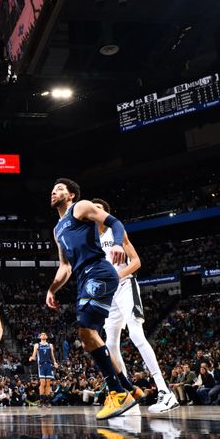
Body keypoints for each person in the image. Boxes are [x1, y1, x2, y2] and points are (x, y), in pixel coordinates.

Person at [46, 179, 136, 420]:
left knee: (87, 333)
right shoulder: (57, 230)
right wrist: (52, 289)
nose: (54, 191)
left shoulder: (80, 207)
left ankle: (118, 393)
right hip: (83, 278)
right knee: (91, 338)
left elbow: (114, 222)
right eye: (53, 189)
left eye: (60, 188)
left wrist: (117, 243)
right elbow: (65, 266)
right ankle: (129, 388)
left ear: (72, 195)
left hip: (98, 271)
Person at [92, 198, 179, 413]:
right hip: (108, 295)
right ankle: (126, 395)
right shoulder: (91, 240)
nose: (95, 212)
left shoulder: (116, 232)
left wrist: (116, 275)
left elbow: (137, 261)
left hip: (125, 286)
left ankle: (165, 392)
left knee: (137, 334)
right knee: (109, 347)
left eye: (99, 209)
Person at [29, 332, 58, 407]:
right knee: (42, 383)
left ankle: (47, 401)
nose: (43, 335)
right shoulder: (37, 345)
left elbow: (52, 355)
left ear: (47, 337)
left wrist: (55, 362)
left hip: (49, 365)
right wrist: (31, 358)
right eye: (42, 334)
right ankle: (41, 400)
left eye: (45, 334)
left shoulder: (50, 345)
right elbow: (34, 355)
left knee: (48, 383)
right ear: (39, 337)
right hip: (41, 365)